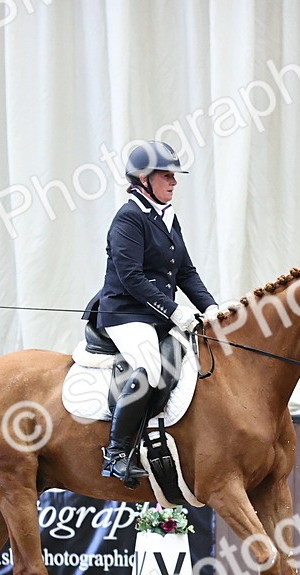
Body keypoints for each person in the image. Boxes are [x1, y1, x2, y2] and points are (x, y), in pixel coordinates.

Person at [84, 140, 220, 481]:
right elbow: (132, 277)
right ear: (143, 179)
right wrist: (175, 311)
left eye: (174, 176)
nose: (173, 182)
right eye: (166, 176)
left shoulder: (167, 217)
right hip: (124, 313)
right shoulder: (129, 219)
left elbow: (186, 272)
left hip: (156, 314)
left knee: (187, 360)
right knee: (149, 365)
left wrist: (212, 307)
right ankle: (115, 454)